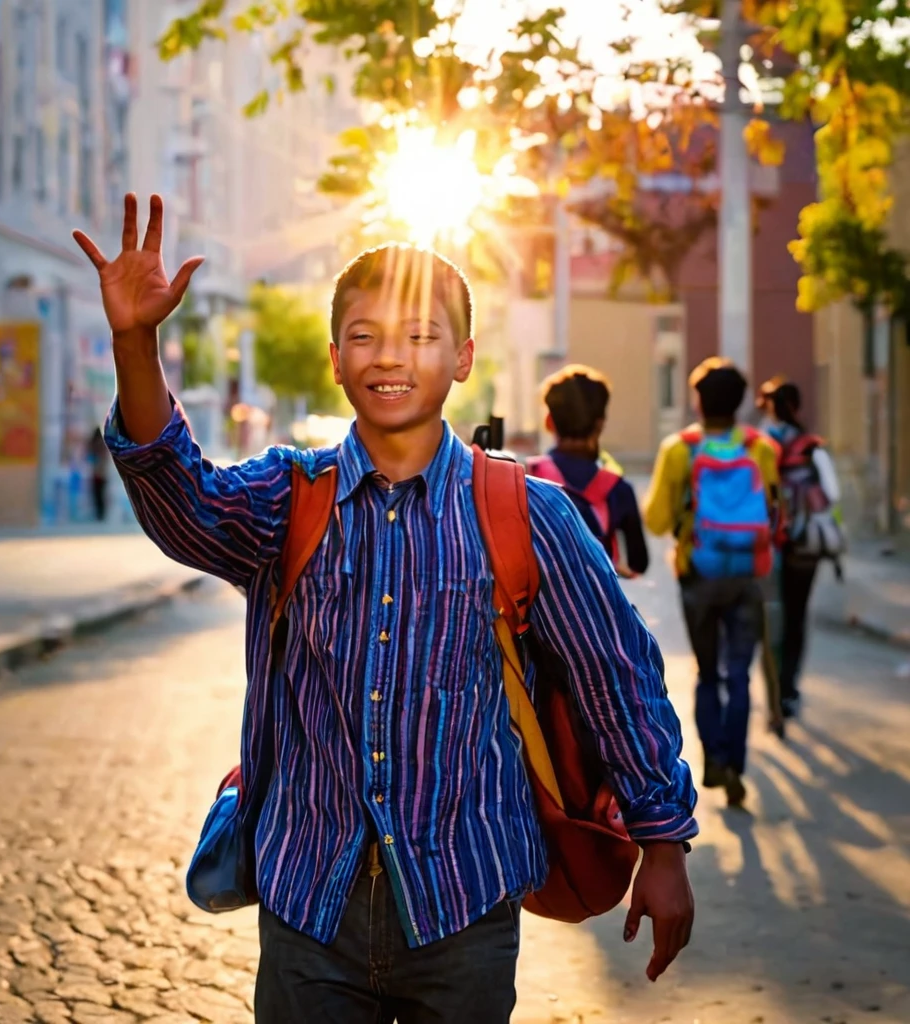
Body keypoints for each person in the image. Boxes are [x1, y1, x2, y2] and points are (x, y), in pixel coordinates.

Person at [73, 194, 697, 1023]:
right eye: (364, 336)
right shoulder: (287, 497)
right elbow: (183, 504)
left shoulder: (524, 511)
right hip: (309, 906)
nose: (389, 357)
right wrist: (134, 343)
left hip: (465, 904)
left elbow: (615, 674)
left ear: (464, 355)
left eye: (419, 336)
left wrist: (663, 843)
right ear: (336, 357)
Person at [644, 357, 781, 809]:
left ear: (697, 400)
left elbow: (658, 519)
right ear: (741, 402)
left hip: (698, 574)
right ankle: (737, 764)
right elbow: (775, 512)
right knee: (739, 673)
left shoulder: (679, 450)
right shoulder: (761, 448)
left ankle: (714, 759)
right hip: (746, 573)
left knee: (707, 672)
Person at [757, 377, 842, 719]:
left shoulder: (759, 444)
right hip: (803, 546)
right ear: (797, 407)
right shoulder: (811, 448)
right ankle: (789, 689)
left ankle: (772, 690)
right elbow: (832, 495)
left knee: (767, 620)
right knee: (795, 617)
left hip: (766, 546)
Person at [528, 364, 649, 578]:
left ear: (549, 422)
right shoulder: (618, 489)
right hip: (596, 607)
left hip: (537, 607)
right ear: (600, 424)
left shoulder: (526, 476)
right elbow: (639, 563)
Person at [87, 425, 110, 522]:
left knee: (96, 494)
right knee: (101, 494)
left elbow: (89, 458)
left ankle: (99, 513)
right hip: (102, 474)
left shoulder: (93, 445)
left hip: (95, 473)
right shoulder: (102, 445)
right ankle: (101, 513)